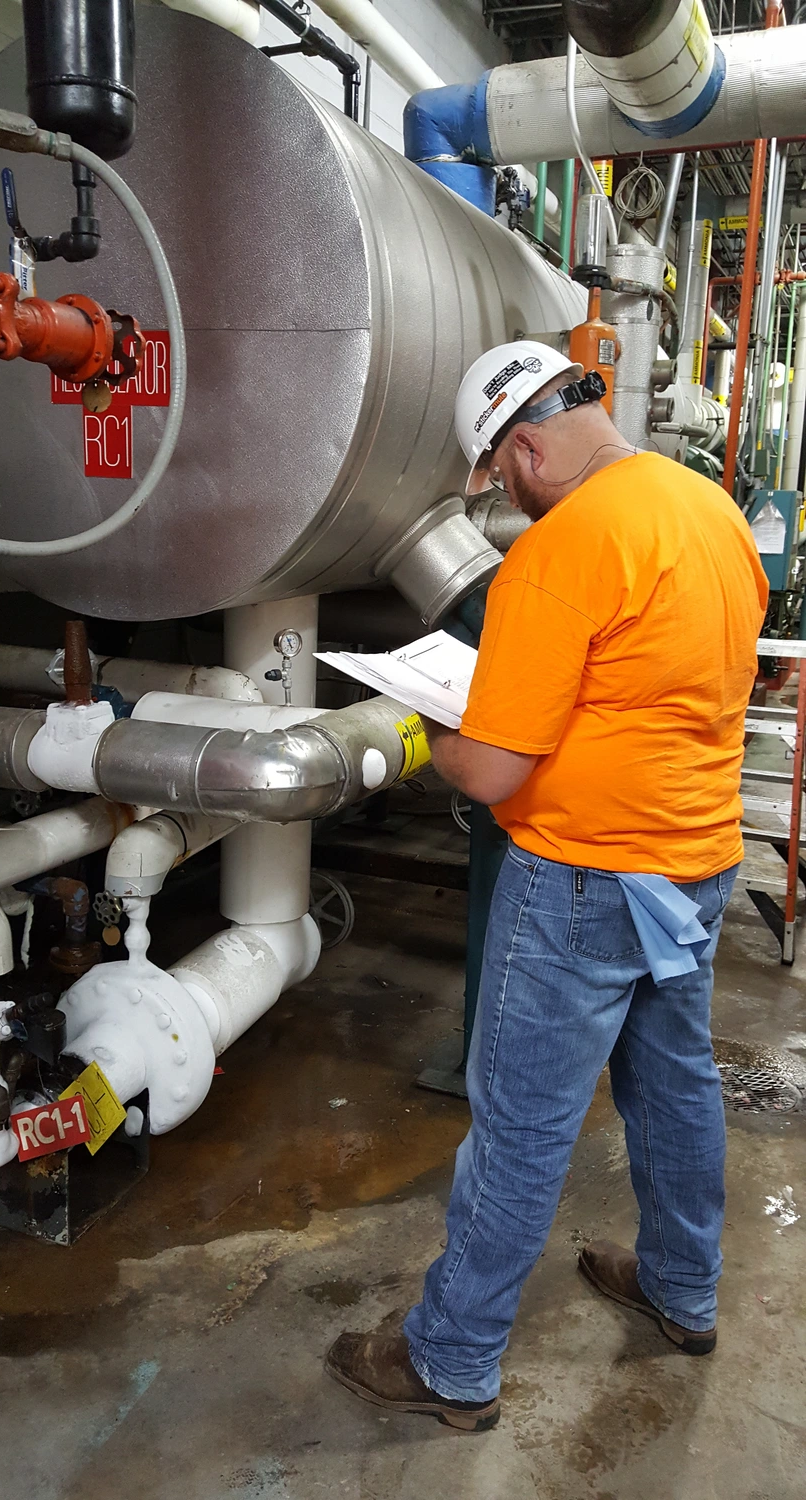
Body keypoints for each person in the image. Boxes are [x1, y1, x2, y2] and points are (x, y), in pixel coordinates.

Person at [326, 340, 768, 1433]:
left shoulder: (561, 550)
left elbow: (490, 767)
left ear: (523, 448)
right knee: (672, 1089)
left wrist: (429, 718)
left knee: (520, 1126)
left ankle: (450, 1360)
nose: (506, 496)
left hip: (585, 879)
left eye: (500, 476)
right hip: (696, 861)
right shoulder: (705, 507)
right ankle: (681, 1288)